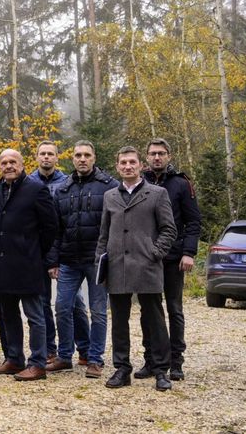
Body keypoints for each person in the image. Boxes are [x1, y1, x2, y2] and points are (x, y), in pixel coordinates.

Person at [96, 146, 177, 391]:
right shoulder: (110, 196)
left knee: (155, 319)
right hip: (117, 267)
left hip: (147, 266)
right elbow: (103, 233)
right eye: (123, 163)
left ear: (141, 165)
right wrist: (100, 260)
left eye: (132, 162)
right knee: (119, 321)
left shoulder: (157, 193)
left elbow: (169, 229)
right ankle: (122, 368)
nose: (128, 166)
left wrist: (155, 252)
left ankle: (161, 369)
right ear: (118, 166)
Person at [46, 140, 119, 378]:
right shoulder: (63, 189)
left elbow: (116, 227)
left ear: (94, 157)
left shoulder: (109, 187)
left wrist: (111, 257)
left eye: (87, 155)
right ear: (72, 159)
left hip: (97, 261)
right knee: (62, 307)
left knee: (98, 311)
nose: (82, 159)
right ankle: (65, 356)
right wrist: (53, 260)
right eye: (78, 155)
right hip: (68, 259)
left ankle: (95, 359)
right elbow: (56, 229)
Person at [0, 149, 57, 382]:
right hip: (3, 264)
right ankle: (14, 358)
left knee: (35, 315)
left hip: (29, 263)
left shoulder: (36, 189)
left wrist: (37, 252)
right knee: (8, 315)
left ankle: (37, 363)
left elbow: (51, 227)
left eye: (12, 162)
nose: (8, 166)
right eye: (4, 162)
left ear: (21, 164)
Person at [139, 138, 202, 381]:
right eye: (153, 153)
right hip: (146, 257)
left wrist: (189, 252)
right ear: (146, 157)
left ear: (169, 156)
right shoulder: (140, 181)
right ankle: (151, 359)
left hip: (174, 258)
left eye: (161, 153)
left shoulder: (181, 184)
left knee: (174, 309)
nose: (157, 157)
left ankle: (176, 361)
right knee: (148, 311)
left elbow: (193, 221)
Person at [29, 140, 90, 364]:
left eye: (50, 154)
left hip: (64, 250)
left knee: (74, 302)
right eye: (42, 153)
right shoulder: (28, 182)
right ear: (36, 157)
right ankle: (49, 349)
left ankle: (84, 348)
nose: (46, 157)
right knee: (42, 302)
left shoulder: (67, 182)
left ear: (57, 157)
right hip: (37, 251)